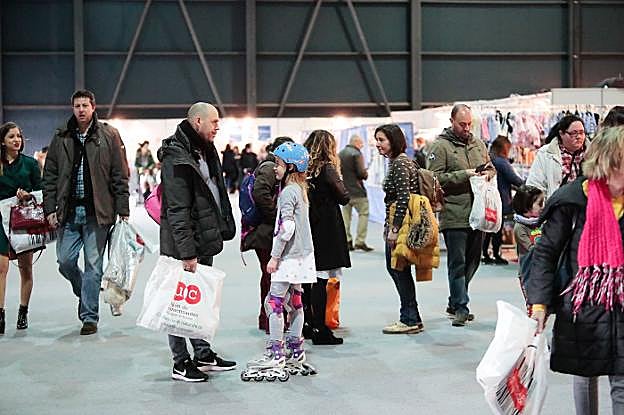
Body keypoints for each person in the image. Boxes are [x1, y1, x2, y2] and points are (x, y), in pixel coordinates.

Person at [528, 126, 624, 415]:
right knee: (584, 373)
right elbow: (545, 254)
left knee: (622, 380)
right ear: (609, 162)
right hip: (583, 307)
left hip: (621, 304)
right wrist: (539, 303)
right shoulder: (572, 200)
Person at [158, 102, 237, 382]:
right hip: (185, 246)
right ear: (198, 121)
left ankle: (203, 354)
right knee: (180, 303)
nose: (218, 127)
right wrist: (187, 252)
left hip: (204, 237)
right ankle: (180, 362)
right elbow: (177, 209)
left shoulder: (206, 149)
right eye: (214, 122)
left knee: (200, 300)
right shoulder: (176, 156)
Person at [43, 89, 129, 336]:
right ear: (72, 108)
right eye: (77, 106)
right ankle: (85, 292)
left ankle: (89, 317)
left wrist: (123, 209)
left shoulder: (109, 135)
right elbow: (50, 175)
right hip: (68, 212)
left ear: (93, 107)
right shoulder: (61, 135)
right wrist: (50, 208)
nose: (81, 110)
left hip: (97, 213)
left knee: (94, 265)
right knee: (65, 261)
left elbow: (119, 174)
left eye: (85, 105)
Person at [242, 142, 317, 381]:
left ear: (290, 166)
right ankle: (296, 350)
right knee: (295, 302)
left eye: (279, 164)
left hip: (289, 258)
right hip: (303, 257)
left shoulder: (286, 193)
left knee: (273, 303)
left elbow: (287, 228)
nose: (275, 168)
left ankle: (276, 353)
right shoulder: (300, 190)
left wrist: (274, 257)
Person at [427, 104, 495, 327]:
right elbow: (433, 179)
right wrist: (464, 175)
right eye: (462, 124)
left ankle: (454, 300)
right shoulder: (440, 146)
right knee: (458, 263)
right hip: (454, 212)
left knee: (473, 262)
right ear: (452, 122)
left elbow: (490, 167)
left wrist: (489, 173)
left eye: (469, 124)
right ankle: (461, 307)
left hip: (479, 212)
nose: (466, 128)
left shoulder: (478, 144)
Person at [374, 124, 427, 334]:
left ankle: (409, 318)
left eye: (381, 140)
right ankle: (412, 316)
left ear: (393, 140)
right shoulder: (399, 162)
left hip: (402, 224)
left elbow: (404, 197)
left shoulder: (400, 164)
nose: (378, 144)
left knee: (398, 269)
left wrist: (394, 229)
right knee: (398, 269)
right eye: (377, 140)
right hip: (400, 222)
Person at [241, 136, 294, 332]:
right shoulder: (270, 167)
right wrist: (275, 217)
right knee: (272, 278)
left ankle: (269, 319)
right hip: (264, 233)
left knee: (270, 277)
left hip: (264, 232)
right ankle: (270, 319)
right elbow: (260, 193)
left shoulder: (269, 166)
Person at [304, 130, 350, 345]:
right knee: (321, 280)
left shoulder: (303, 169)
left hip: (309, 224)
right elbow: (343, 197)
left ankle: (307, 323)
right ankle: (320, 329)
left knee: (307, 280)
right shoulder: (327, 168)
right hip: (326, 227)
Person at [0, 122, 42, 334]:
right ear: (2, 142)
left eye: (18, 136)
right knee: (1, 268)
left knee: (26, 268)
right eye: (11, 137)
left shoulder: (31, 164)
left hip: (23, 220)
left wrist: (28, 195)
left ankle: (23, 311)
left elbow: (40, 191)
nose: (16, 140)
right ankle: (0, 315)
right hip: (0, 221)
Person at [482, 135, 524, 265]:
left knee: (489, 228)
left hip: (490, 199)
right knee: (497, 228)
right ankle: (496, 254)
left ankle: (486, 254)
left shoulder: (490, 160)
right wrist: (528, 186)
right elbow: (513, 179)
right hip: (500, 199)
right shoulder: (501, 162)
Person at [526, 115, 587, 199]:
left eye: (581, 132)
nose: (579, 137)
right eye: (574, 133)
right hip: (557, 203)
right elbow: (535, 184)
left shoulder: (592, 152)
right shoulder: (546, 154)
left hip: (585, 204)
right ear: (561, 134)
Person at [512, 184, 545, 307]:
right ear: (526, 207)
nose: (542, 207)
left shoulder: (542, 222)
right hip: (528, 272)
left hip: (543, 270)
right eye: (539, 204)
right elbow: (532, 249)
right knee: (533, 304)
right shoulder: (520, 227)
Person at [339, 135, 373, 252]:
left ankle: (347, 241)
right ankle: (360, 241)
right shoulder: (356, 154)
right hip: (358, 191)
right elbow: (361, 173)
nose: (362, 145)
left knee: (345, 217)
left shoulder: (340, 153)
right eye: (361, 143)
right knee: (363, 214)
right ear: (356, 142)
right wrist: (366, 174)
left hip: (344, 191)